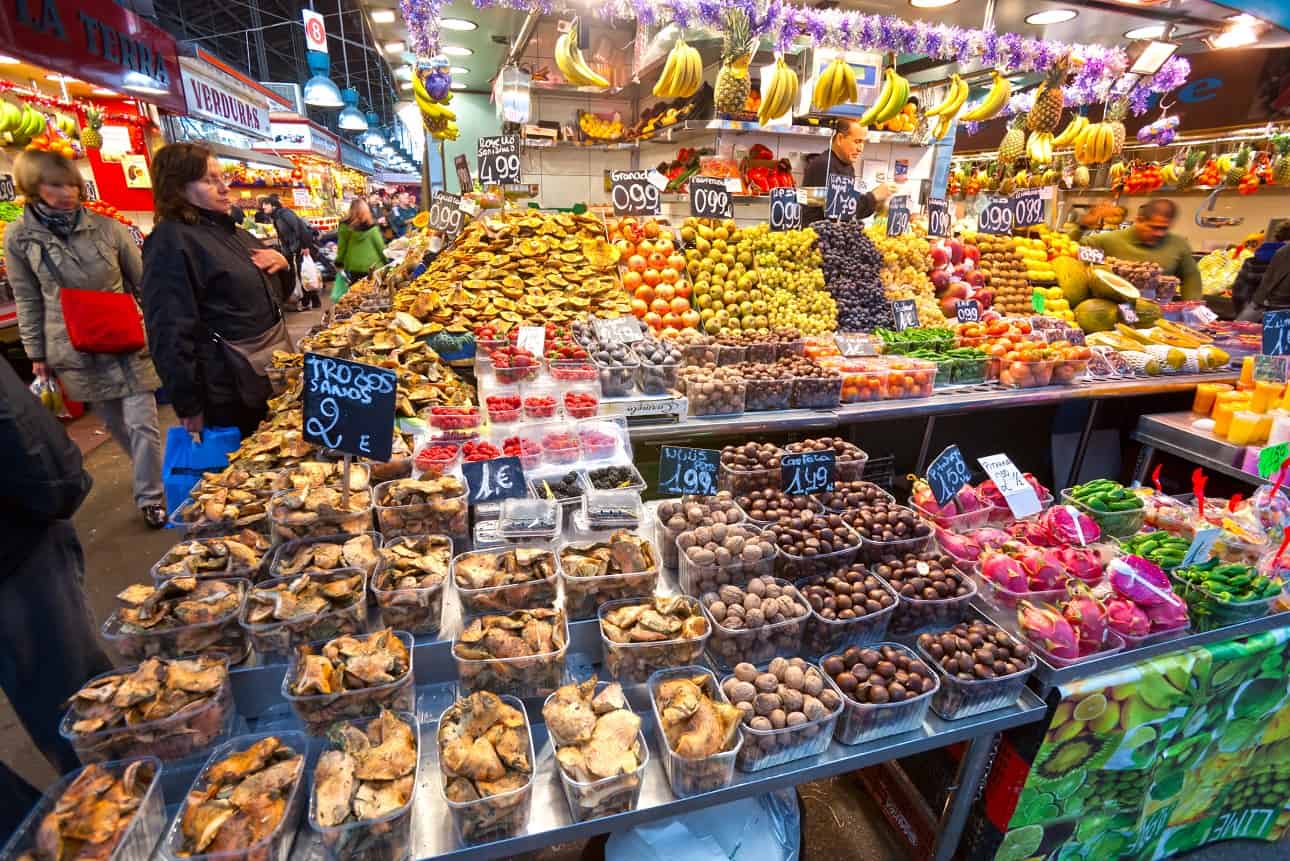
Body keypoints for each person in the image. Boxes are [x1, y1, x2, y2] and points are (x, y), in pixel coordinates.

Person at [5, 150, 167, 528]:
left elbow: (142, 279)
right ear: (33, 187)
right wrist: (36, 353)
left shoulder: (107, 228)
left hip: (125, 334)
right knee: (115, 423)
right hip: (74, 344)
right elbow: (27, 297)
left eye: (72, 184)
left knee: (143, 419)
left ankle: (151, 495)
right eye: (55, 185)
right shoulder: (20, 237)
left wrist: (159, 321)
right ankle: (150, 476)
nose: (67, 193)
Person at [0, 356, 114, 810]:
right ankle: (119, 807)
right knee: (76, 700)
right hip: (15, 550)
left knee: (74, 700)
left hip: (18, 536)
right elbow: (15, 423)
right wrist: (61, 483)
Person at [141, 143, 292, 437]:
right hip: (227, 390)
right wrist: (188, 404)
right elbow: (168, 329)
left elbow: (277, 296)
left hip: (266, 373)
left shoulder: (234, 232)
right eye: (210, 180)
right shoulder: (171, 241)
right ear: (178, 187)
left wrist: (283, 264)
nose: (224, 188)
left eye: (223, 178)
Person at [1069, 198, 1203, 300]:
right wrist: (1083, 226)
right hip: (1112, 315)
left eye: (1164, 228)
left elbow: (1191, 277)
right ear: (1139, 220)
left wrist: (1192, 308)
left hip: (1159, 317)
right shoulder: (1107, 241)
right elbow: (1070, 249)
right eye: (1154, 227)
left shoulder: (1177, 245)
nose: (1159, 234)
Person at [801, 117, 896, 225]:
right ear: (840, 139)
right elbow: (840, 210)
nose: (860, 148)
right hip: (817, 237)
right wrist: (874, 196)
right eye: (857, 141)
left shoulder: (846, 165)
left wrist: (876, 201)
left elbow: (846, 204)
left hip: (834, 236)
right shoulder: (824, 165)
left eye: (863, 142)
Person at [262, 194, 322, 310]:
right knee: (302, 274)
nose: (263, 207)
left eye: (265, 205)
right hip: (292, 249)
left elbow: (300, 228)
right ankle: (311, 300)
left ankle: (309, 301)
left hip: (300, 247)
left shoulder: (285, 214)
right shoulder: (276, 217)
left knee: (303, 273)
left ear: (273, 206)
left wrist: (305, 246)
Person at [1234, 223, 1290, 319]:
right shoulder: (1284, 255)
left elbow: (1239, 294)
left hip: (1255, 315)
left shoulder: (1252, 260)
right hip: (1278, 319)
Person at [333, 198, 386, 299]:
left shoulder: (345, 226)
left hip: (354, 267)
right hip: (373, 266)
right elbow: (380, 247)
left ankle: (357, 312)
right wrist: (387, 261)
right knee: (373, 293)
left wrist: (339, 262)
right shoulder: (372, 227)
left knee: (356, 295)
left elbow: (342, 247)